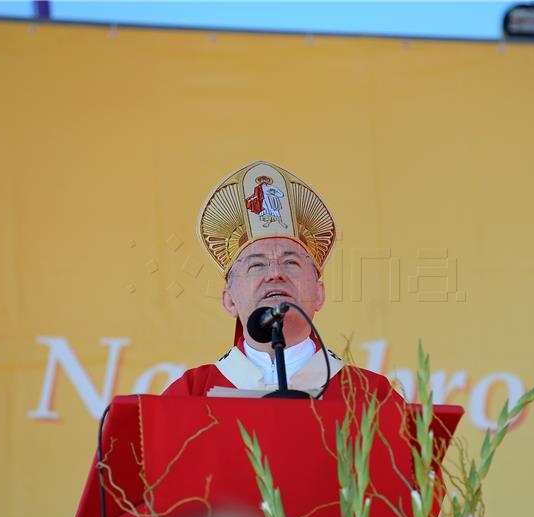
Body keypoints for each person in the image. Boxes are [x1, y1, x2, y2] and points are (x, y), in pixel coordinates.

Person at [163, 161, 396, 401]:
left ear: (319, 294)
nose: (275, 273)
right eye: (256, 264)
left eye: (291, 262)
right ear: (230, 300)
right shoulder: (191, 394)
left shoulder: (369, 396)